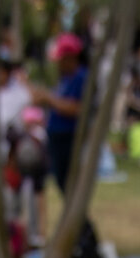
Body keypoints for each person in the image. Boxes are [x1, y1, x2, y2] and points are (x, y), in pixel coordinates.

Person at [41, 33, 85, 196]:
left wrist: (50, 99)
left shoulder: (81, 78)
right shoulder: (65, 78)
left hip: (68, 137)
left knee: (67, 185)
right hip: (57, 136)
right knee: (61, 182)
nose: (58, 62)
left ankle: (82, 222)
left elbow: (77, 108)